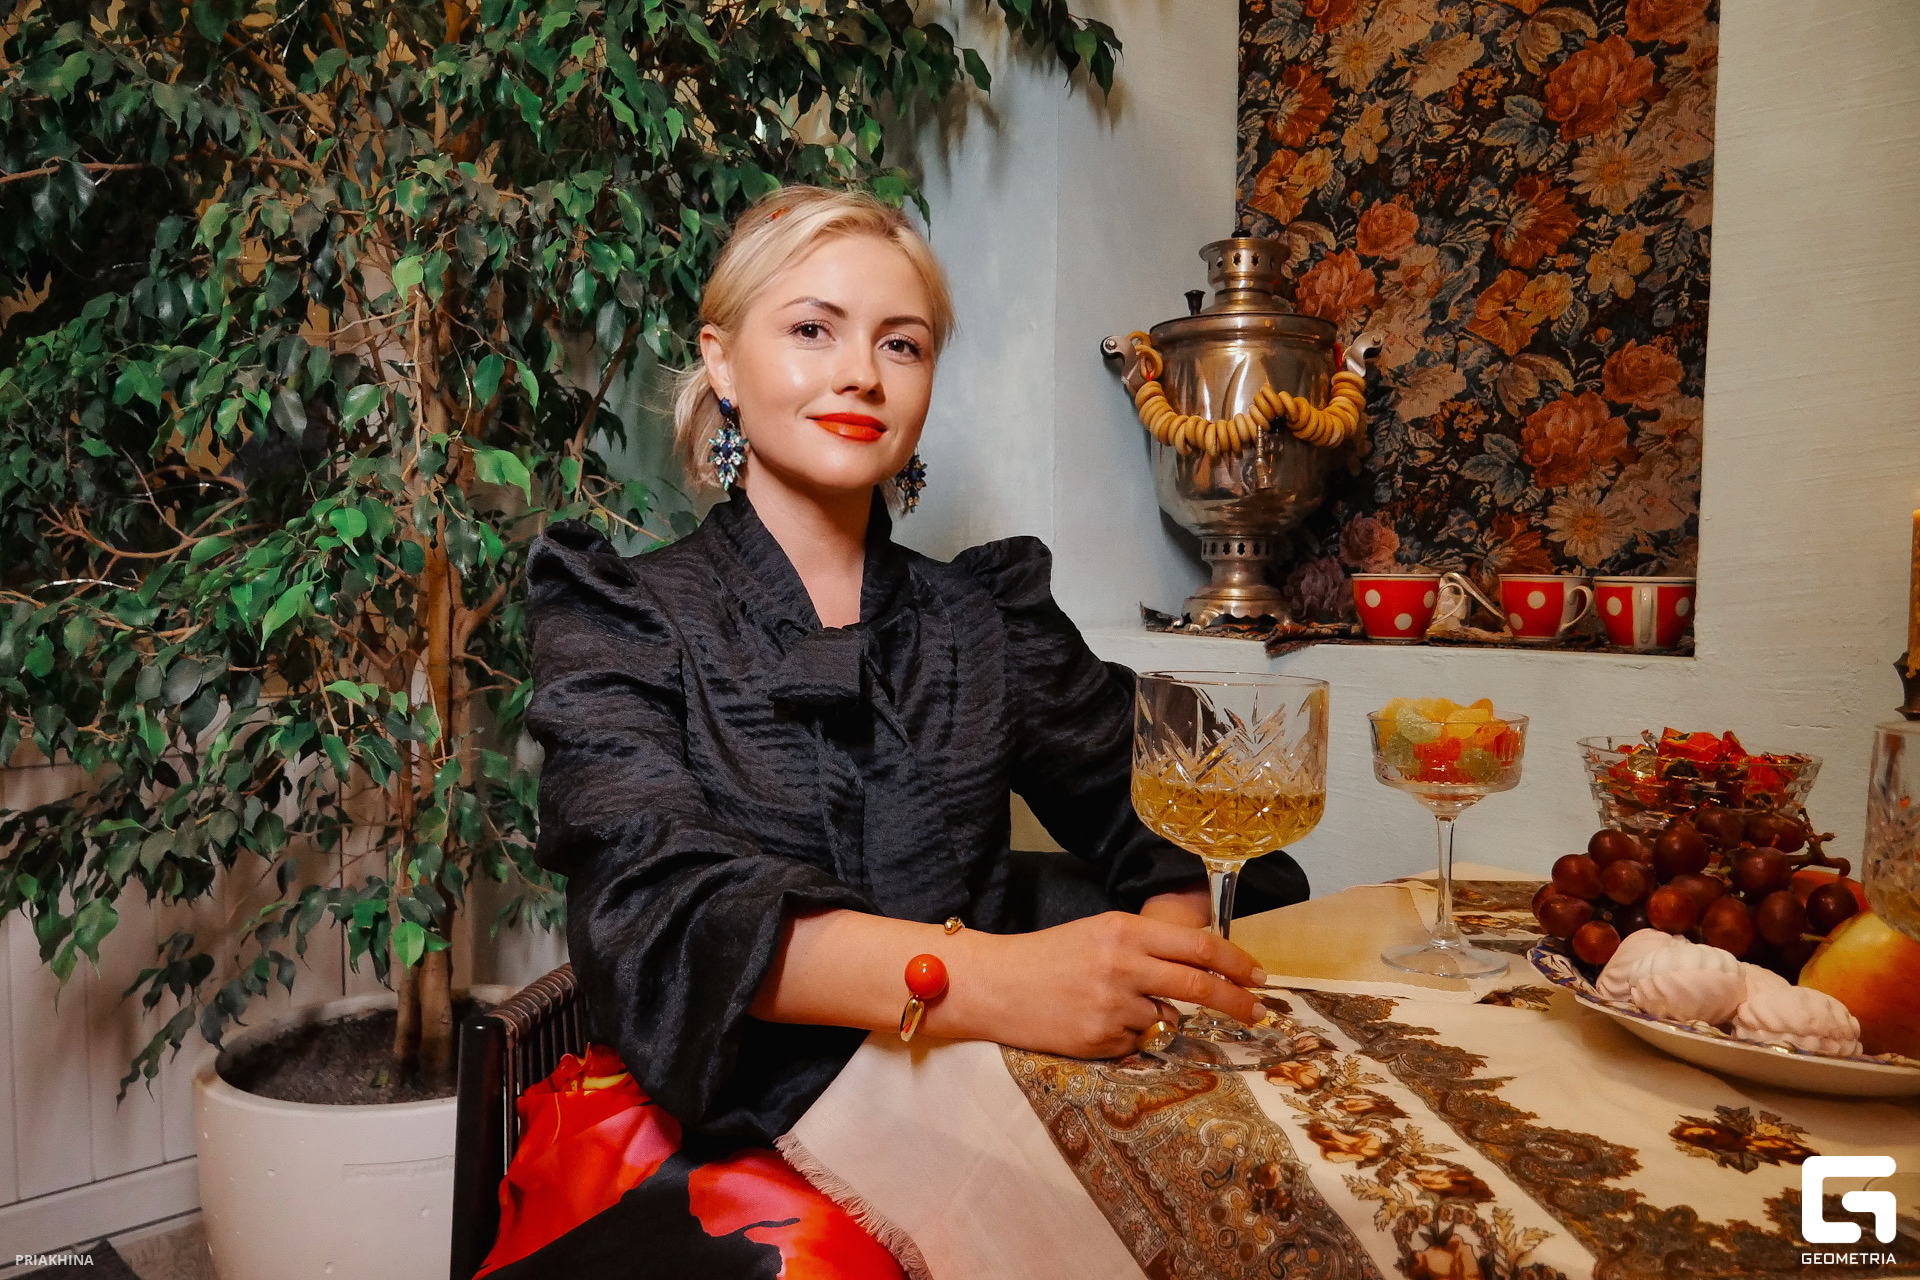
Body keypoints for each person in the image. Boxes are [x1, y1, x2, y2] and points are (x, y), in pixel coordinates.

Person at [476, 185, 1309, 1277]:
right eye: (812, 329)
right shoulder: (619, 615)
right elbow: (662, 910)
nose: (862, 374)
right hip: (713, 1137)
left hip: (975, 1112)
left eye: (901, 343)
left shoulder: (987, 618)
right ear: (722, 363)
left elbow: (1187, 792)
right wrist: (1003, 982)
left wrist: (1160, 959)